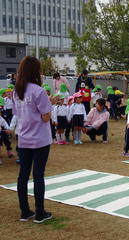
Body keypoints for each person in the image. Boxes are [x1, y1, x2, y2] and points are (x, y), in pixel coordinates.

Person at [13, 56, 56, 223]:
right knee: (38, 175)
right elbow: (45, 117)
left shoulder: (17, 91)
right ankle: (40, 213)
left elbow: (18, 114)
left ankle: (25, 212)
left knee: (23, 175)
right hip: (40, 139)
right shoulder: (38, 91)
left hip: (23, 138)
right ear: (35, 71)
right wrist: (50, 102)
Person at [0, 97, 12, 165]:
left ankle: (9, 151)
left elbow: (4, 121)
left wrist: (8, 128)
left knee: (6, 140)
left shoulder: (3, 110)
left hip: (3, 129)